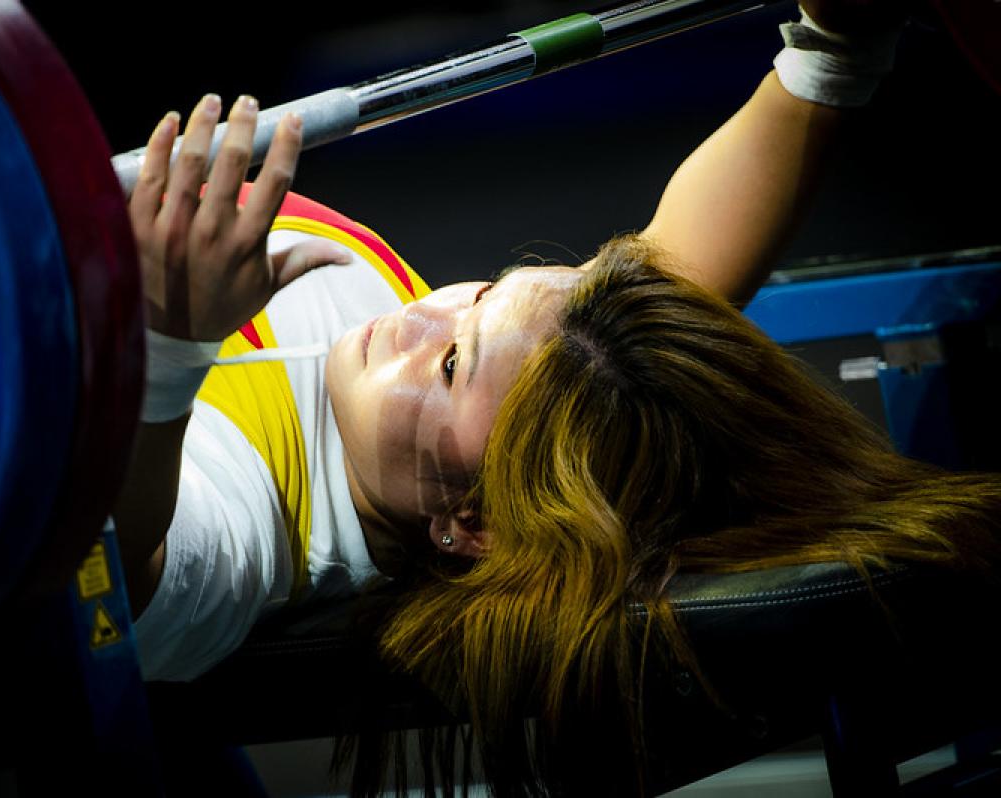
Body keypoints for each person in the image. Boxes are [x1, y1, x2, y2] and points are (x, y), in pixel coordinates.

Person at [113, 0, 1001, 793]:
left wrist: (167, 348)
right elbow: (673, 267)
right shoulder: (494, 369)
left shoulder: (255, 527)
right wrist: (835, 49)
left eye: (454, 367)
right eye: (490, 289)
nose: (431, 315)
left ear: (472, 525)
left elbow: (138, 568)